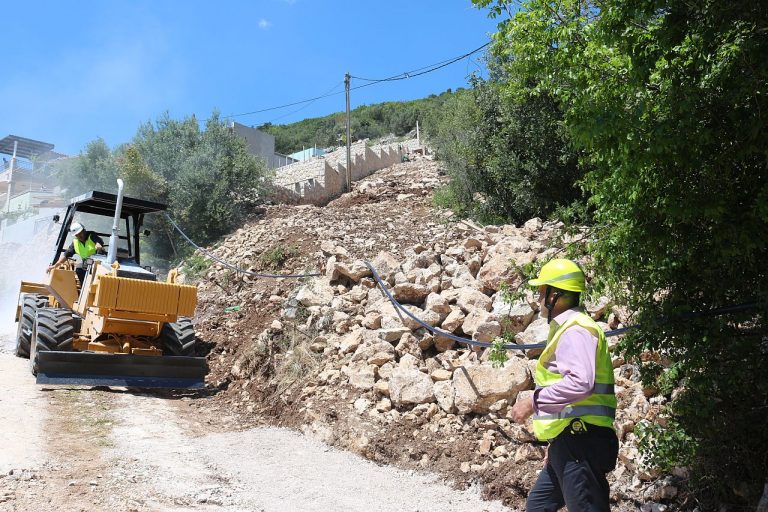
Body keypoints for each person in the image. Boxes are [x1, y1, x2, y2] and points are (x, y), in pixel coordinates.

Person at [509, 258, 618, 512]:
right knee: (538, 507)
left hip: (581, 443)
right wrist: (557, 442)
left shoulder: (575, 331)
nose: (538, 297)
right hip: (568, 441)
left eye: (541, 291)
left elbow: (581, 383)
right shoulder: (568, 328)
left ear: (554, 295)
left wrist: (532, 402)